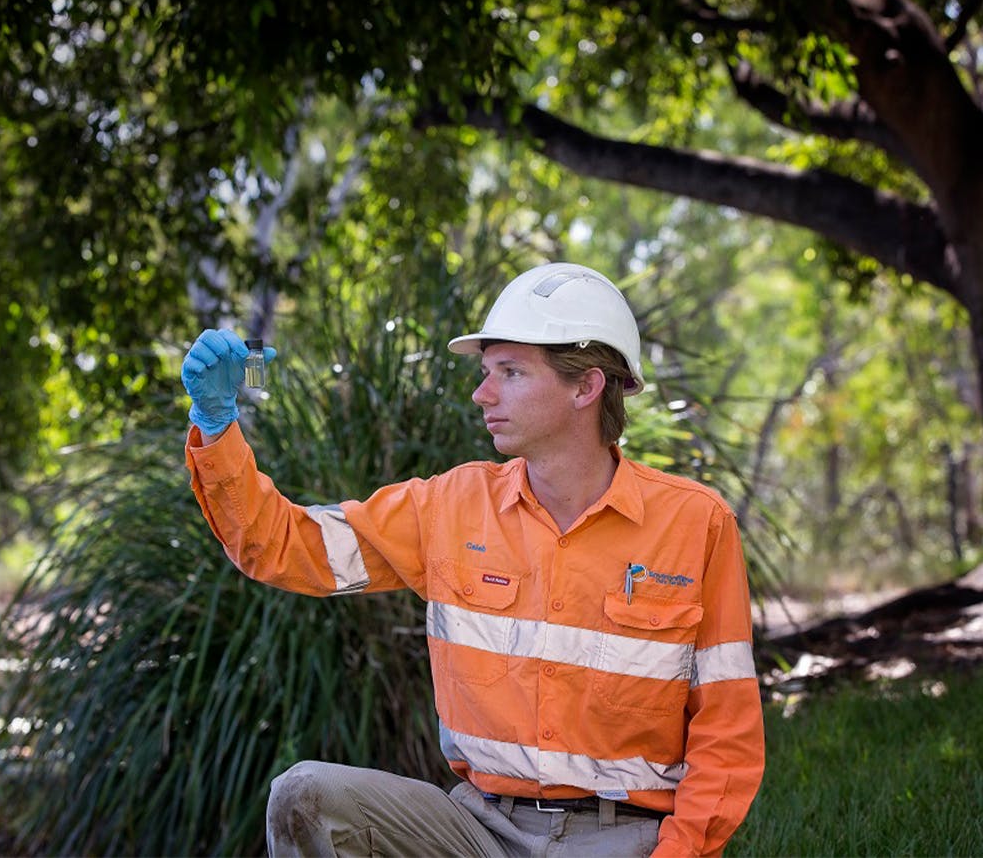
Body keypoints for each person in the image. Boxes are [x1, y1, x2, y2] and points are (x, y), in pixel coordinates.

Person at [182, 263, 765, 858]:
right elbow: (283, 546)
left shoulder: (696, 525)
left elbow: (727, 735)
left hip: (625, 838)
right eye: (487, 372)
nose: (481, 393)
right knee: (306, 793)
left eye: (509, 373)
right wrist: (216, 424)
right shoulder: (450, 507)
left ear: (586, 387)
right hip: (478, 832)